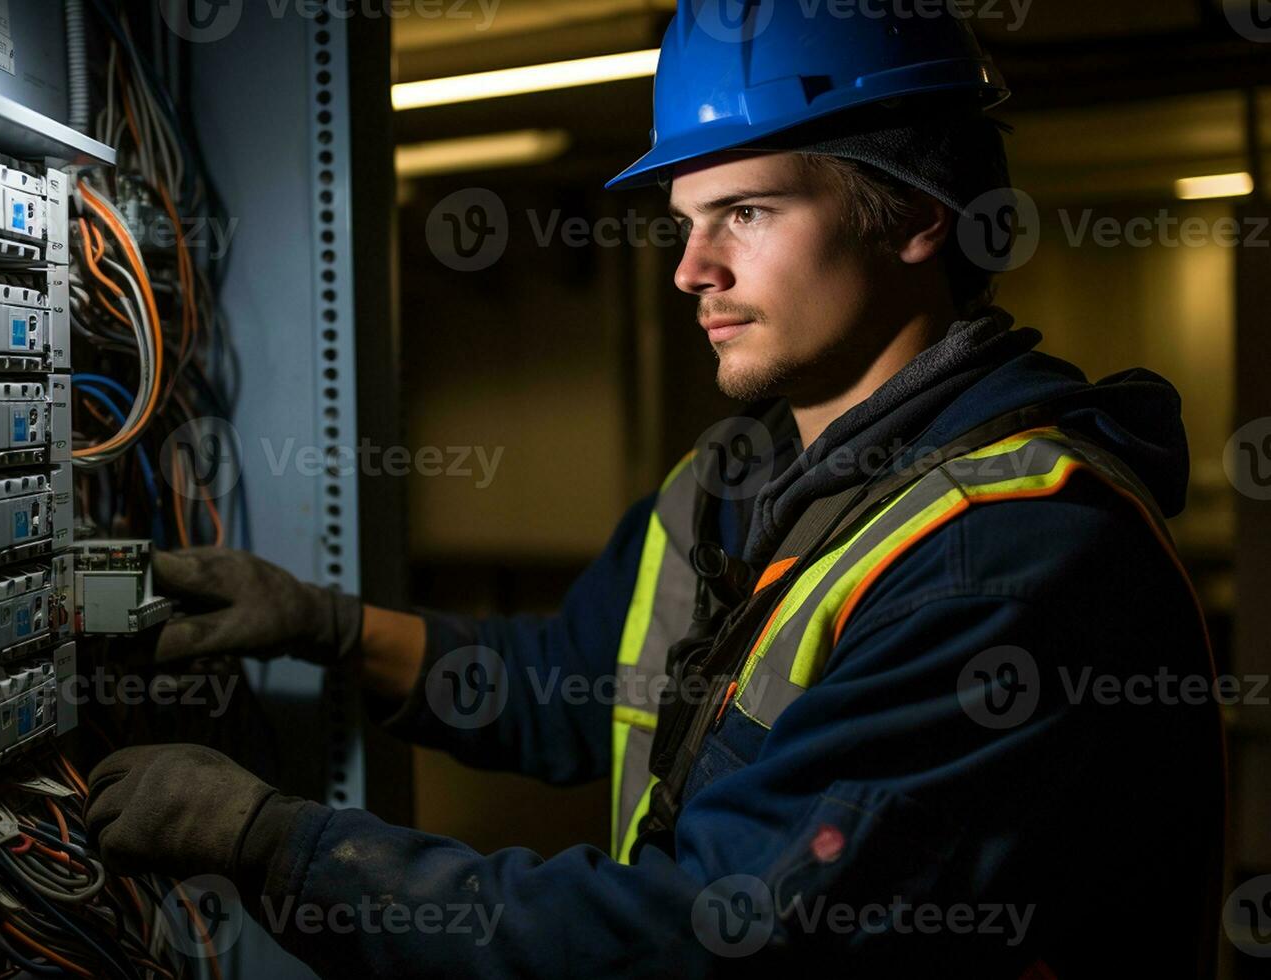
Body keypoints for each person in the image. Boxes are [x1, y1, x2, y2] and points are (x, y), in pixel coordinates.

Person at [84, 2, 1225, 975]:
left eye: (749, 212)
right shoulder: (737, 485)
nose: (691, 270)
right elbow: (581, 686)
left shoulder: (1006, 554)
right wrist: (327, 625)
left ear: (921, 216)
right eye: (686, 221)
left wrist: (281, 845)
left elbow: (714, 935)